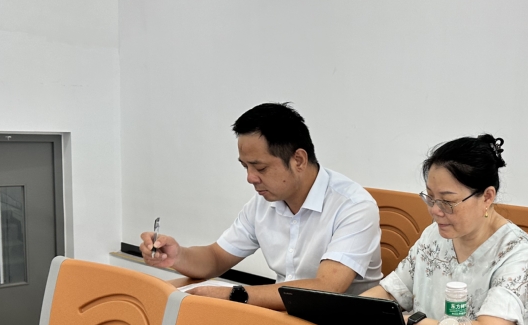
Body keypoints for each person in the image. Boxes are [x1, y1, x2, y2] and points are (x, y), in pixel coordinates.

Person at [140, 103, 382, 309]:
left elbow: (327, 288)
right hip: (284, 316)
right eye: (245, 167)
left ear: (298, 160)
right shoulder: (263, 203)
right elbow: (216, 258)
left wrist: (235, 294)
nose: (250, 178)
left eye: (260, 168)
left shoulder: (354, 206)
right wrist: (177, 255)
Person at [362, 135, 528, 325]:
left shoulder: (515, 250)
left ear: (487, 197)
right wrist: (349, 311)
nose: (435, 210)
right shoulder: (434, 235)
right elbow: (391, 292)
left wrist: (411, 323)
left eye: (447, 202)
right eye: (430, 197)